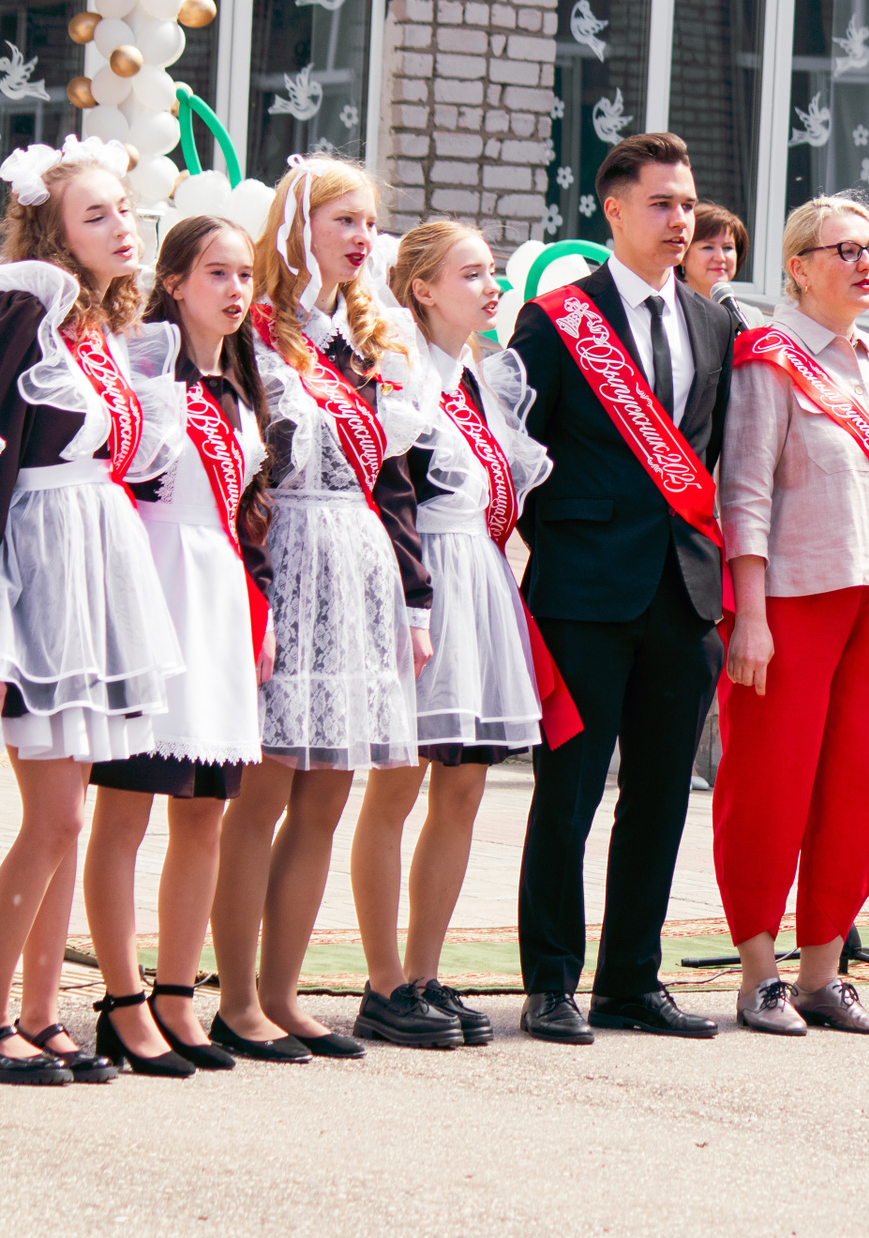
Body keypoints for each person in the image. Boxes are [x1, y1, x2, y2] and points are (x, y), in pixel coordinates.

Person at [209, 157, 438, 1064]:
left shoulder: (368, 339)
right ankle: (233, 1000)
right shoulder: (254, 327)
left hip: (360, 568)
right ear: (297, 223)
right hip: (288, 563)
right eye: (344, 219)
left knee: (328, 795)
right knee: (264, 792)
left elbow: (397, 482)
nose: (361, 237)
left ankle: (283, 993)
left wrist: (414, 597)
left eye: (369, 223)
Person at [509, 132, 735, 1045]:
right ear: (613, 210)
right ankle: (551, 981)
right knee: (567, 793)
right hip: (584, 592)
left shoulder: (715, 324)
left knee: (661, 796)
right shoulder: (557, 320)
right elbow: (520, 459)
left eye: (687, 204)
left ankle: (631, 981)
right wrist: (574, 543)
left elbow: (713, 459)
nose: (680, 220)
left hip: (684, 597)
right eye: (661, 204)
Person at [0, 136, 185, 1086]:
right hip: (42, 566)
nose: (121, 226)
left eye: (125, 209)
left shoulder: (106, 330)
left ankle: (40, 1015)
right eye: (95, 214)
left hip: (97, 561)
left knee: (69, 815)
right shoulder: (26, 309)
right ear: (54, 233)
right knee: (57, 818)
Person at [716, 194, 869, 1035]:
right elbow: (744, 492)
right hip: (792, 601)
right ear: (798, 267)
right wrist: (751, 615)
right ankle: (759, 975)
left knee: (859, 789)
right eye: (844, 250)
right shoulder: (767, 359)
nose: (864, 263)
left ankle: (822, 974)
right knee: (770, 786)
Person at [346, 221, 555, 1048]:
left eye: (493, 272)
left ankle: (424, 973)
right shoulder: (399, 371)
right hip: (422, 582)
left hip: (481, 581)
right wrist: (410, 600)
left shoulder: (483, 378)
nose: (491, 286)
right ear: (423, 288)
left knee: (463, 787)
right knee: (396, 786)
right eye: (472, 274)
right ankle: (382, 983)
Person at [83, 216, 278, 1077]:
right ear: (174, 283)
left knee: (205, 810)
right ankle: (121, 1000)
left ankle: (176, 994)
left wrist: (260, 617)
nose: (235, 291)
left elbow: (246, 514)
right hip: (155, 588)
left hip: (219, 600)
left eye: (245, 275)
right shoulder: (143, 371)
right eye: (216, 273)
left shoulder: (240, 385)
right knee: (126, 807)